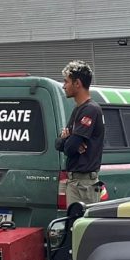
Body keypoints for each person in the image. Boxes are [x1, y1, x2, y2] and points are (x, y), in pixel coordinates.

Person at [55, 60, 105, 206]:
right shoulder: (78, 109)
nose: (64, 86)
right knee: (73, 225)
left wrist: (68, 139)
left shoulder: (90, 109)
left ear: (77, 83)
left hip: (84, 183)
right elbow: (59, 143)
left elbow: (70, 148)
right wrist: (67, 140)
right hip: (75, 182)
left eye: (66, 82)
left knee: (81, 224)